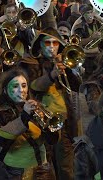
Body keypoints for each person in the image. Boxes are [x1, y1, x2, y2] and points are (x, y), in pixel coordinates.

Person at [27, 27, 82, 180]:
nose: (51, 47)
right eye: (47, 43)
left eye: (55, 43)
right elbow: (33, 86)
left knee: (66, 166)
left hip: (64, 121)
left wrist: (68, 70)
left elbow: (77, 86)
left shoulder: (64, 63)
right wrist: (52, 75)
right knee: (44, 166)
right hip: (41, 123)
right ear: (40, 45)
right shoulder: (31, 64)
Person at [0, 68, 58, 179]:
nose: (22, 90)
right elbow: (0, 141)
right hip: (14, 173)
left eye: (24, 85)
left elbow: (52, 140)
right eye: (16, 86)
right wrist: (24, 116)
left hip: (42, 169)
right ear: (5, 90)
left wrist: (45, 124)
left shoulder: (36, 108)